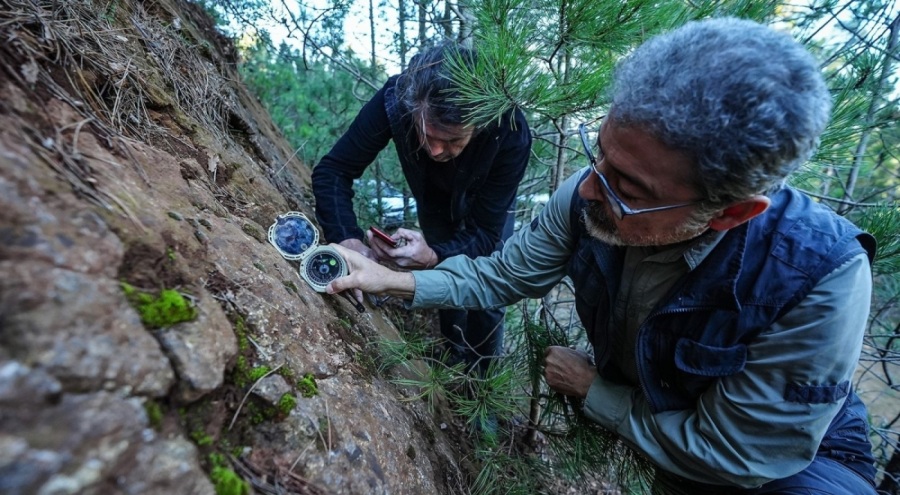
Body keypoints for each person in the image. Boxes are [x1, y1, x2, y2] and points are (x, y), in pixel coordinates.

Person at [324, 17, 880, 494]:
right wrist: (386, 279)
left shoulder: (819, 278)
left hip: (798, 468)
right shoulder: (590, 193)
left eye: (629, 189)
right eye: (601, 157)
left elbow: (742, 456)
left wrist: (598, 394)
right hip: (665, 435)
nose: (589, 190)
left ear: (729, 213)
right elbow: (501, 274)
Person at [311, 42, 532, 373]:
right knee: (444, 275)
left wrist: (432, 254)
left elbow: (485, 233)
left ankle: (481, 385)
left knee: (489, 294)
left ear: (481, 123)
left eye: (454, 140)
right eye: (428, 133)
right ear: (414, 106)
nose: (436, 149)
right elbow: (334, 171)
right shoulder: (396, 99)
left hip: (489, 208)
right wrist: (348, 239)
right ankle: (450, 359)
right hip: (435, 199)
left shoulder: (510, 129)